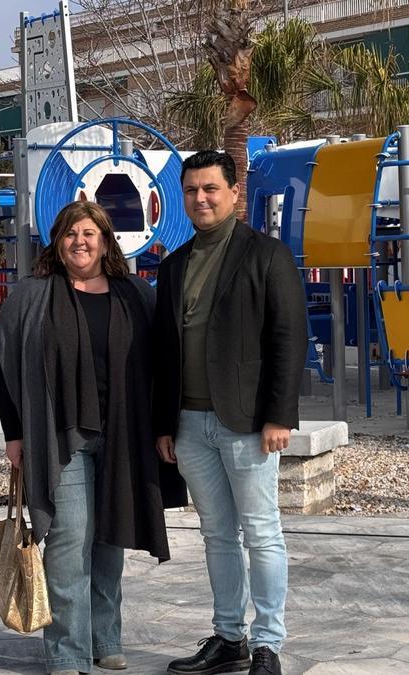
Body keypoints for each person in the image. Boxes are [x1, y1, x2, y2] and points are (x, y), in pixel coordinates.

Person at [0, 200, 186, 675]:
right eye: (70, 234)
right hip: (62, 438)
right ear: (57, 243)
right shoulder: (33, 296)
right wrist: (14, 434)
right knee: (68, 540)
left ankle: (106, 638)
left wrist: (166, 426)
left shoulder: (135, 294)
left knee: (110, 539)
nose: (80, 242)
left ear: (105, 241)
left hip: (125, 435)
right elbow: (5, 366)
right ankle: (67, 651)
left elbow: (164, 365)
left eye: (89, 233)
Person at [153, 151, 308, 675]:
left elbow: (288, 338)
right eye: (192, 190)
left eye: (211, 189)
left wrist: (279, 415)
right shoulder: (174, 264)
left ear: (234, 192)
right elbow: (162, 350)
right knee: (217, 534)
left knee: (262, 532)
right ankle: (228, 638)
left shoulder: (267, 256)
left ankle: (267, 643)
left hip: (246, 424)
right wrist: (163, 423)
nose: (201, 198)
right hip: (190, 424)